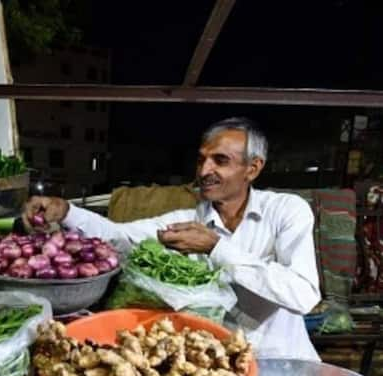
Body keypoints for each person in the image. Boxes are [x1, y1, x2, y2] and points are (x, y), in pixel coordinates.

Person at [23, 117, 321, 360]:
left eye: (220, 160)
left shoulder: (286, 211)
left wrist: (217, 248)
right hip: (215, 365)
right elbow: (118, 236)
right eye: (202, 160)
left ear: (252, 168)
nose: (205, 171)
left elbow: (303, 294)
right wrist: (66, 212)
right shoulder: (186, 221)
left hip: (281, 362)